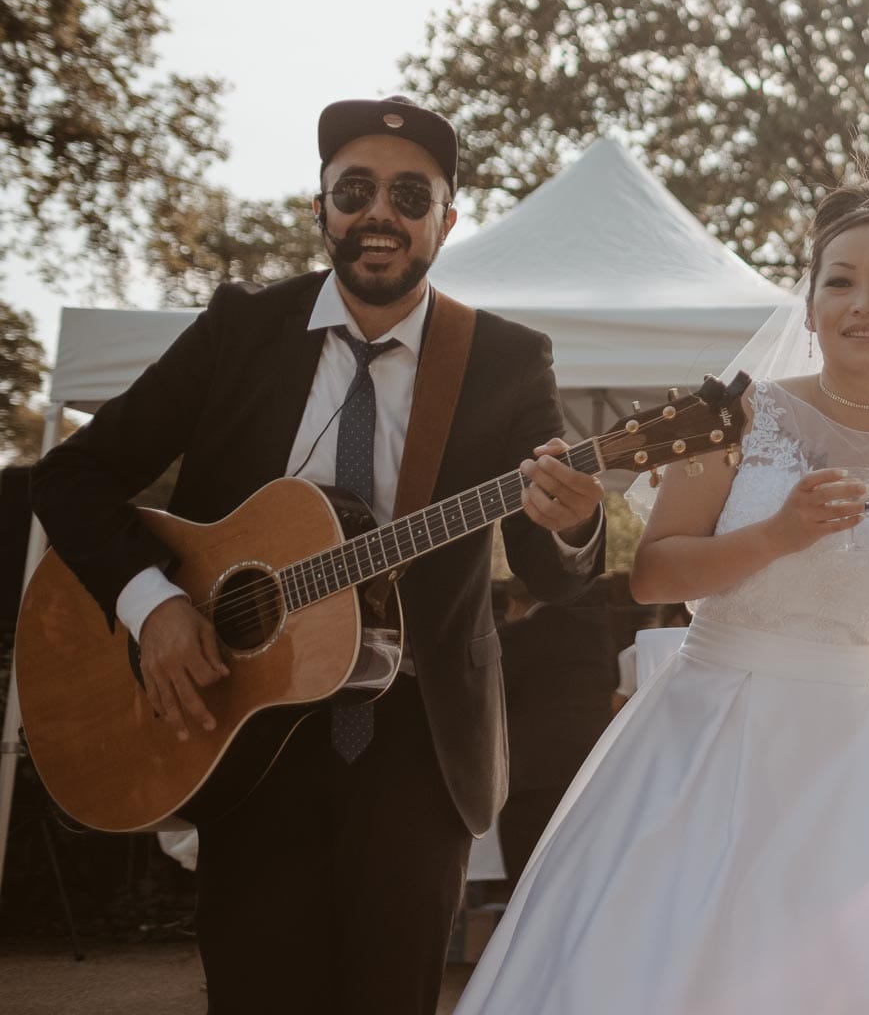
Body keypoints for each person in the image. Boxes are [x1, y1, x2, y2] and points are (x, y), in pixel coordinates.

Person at [29, 95, 605, 1015]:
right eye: (357, 189)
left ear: (446, 222)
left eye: (410, 195)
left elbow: (551, 571)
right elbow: (72, 479)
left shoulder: (502, 359)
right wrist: (154, 606)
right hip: (247, 730)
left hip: (418, 746)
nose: (381, 213)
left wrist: (574, 520)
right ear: (321, 209)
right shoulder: (239, 331)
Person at [453, 179, 869, 1013]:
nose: (863, 302)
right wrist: (776, 536)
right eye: (840, 280)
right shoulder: (734, 419)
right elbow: (653, 573)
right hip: (713, 736)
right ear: (809, 305)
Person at [495, 583, 616, 885]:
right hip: (589, 771)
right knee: (581, 881)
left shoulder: (516, 637)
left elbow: (495, 699)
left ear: (514, 602)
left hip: (532, 777)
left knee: (528, 884)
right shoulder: (595, 636)